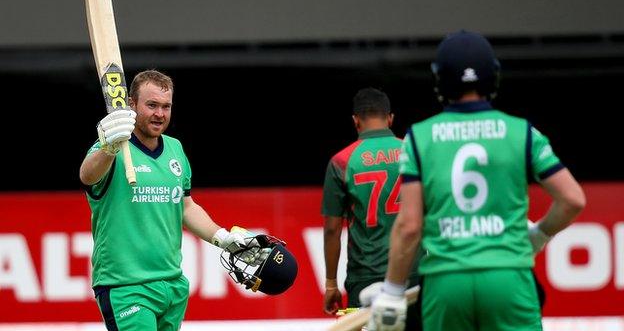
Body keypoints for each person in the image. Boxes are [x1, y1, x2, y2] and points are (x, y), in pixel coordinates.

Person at [367, 30, 586, 331]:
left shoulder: (419, 138)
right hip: (508, 277)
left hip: (446, 283)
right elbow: (572, 200)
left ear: (440, 80)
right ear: (493, 76)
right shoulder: (522, 133)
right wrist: (539, 234)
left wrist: (392, 291)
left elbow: (409, 226)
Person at [79, 70, 277, 331]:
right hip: (126, 286)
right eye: (151, 105)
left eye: (166, 106)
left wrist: (223, 238)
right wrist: (108, 147)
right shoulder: (112, 147)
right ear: (131, 104)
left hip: (172, 284)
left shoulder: (175, 148)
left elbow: (185, 206)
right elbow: (87, 176)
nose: (159, 114)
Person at [321, 87, 421, 330]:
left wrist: (331, 284)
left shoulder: (341, 161)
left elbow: (332, 230)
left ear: (355, 121)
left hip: (364, 277)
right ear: (390, 118)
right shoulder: (414, 152)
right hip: (415, 274)